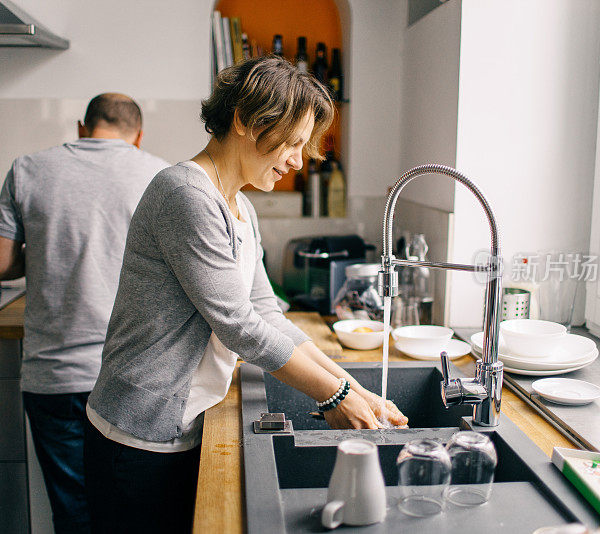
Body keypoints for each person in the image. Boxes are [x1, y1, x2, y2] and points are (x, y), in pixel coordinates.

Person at [83, 56, 408, 533]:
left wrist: (359, 391)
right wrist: (334, 395)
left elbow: (266, 314)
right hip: (137, 436)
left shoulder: (240, 207)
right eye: (293, 143)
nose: (299, 160)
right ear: (244, 120)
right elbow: (238, 326)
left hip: (184, 424)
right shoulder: (185, 195)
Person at [0, 93, 169, 534]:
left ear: (82, 129)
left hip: (55, 376)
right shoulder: (160, 174)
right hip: (133, 378)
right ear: (137, 137)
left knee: (75, 516)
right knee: (134, 518)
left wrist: (48, 251)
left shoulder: (27, 169)